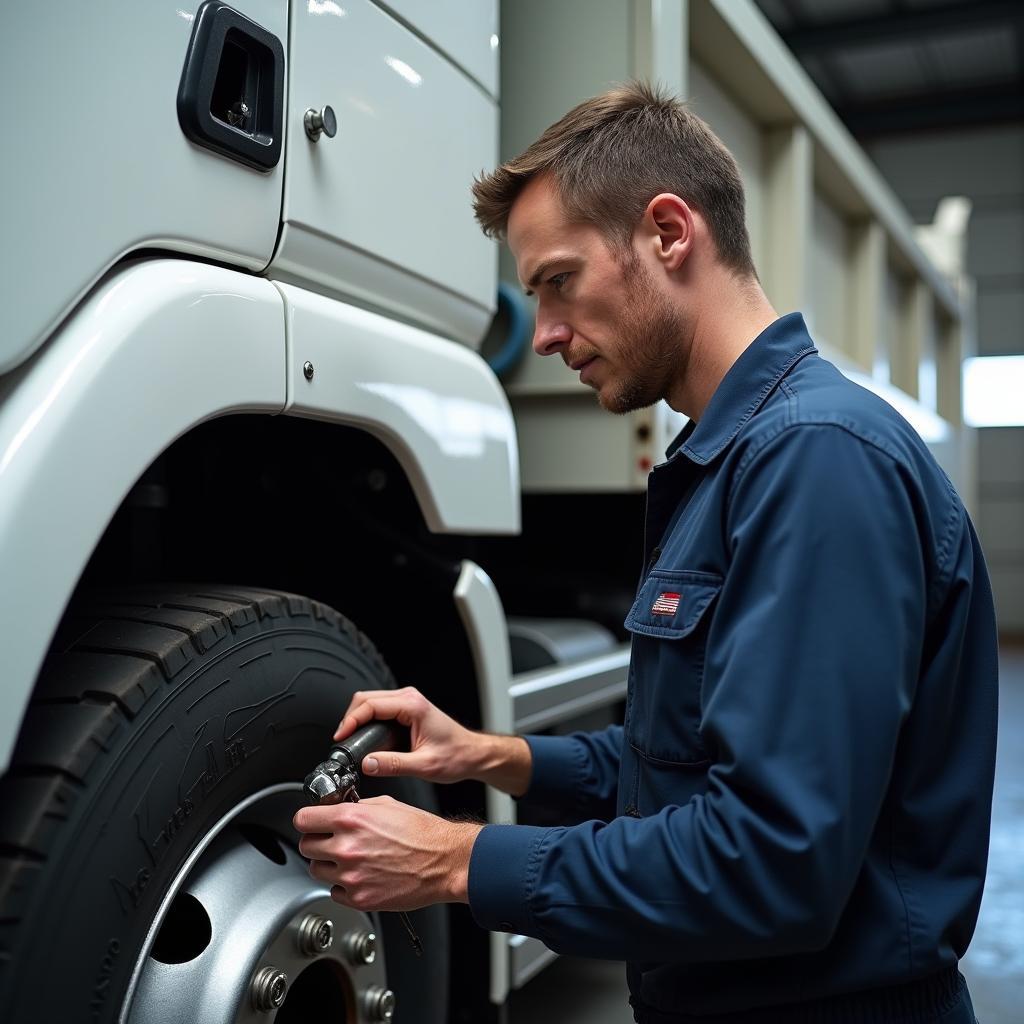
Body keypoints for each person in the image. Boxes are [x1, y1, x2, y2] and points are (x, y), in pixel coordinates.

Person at [293, 82, 998, 1023]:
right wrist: (495, 757)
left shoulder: (816, 461)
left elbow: (772, 863)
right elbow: (695, 764)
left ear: (669, 234)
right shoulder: (735, 460)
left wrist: (456, 861)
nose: (540, 334)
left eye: (558, 281)